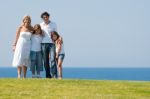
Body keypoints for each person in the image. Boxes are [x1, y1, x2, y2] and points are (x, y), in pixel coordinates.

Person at [40, 11, 62, 78]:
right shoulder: (41, 25)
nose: (45, 18)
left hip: (52, 44)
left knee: (52, 59)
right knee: (45, 61)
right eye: (43, 17)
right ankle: (48, 75)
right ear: (42, 18)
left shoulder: (53, 24)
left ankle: (54, 75)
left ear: (48, 17)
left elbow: (56, 34)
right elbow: (38, 33)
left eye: (46, 17)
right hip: (43, 44)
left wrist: (59, 40)